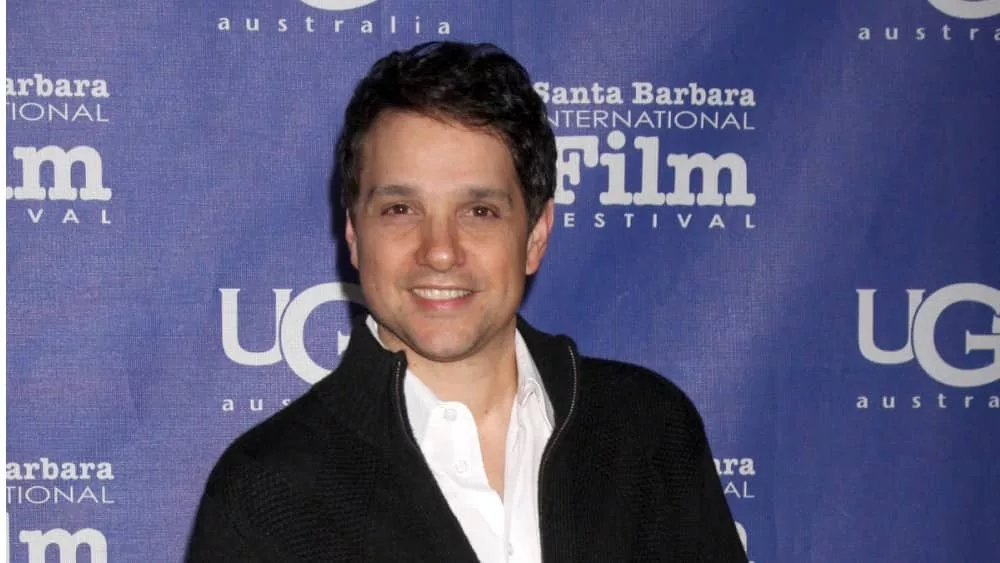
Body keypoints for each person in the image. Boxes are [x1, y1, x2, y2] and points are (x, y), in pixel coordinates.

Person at [185, 41, 748, 563]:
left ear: (535, 236)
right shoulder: (266, 495)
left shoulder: (647, 432)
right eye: (400, 209)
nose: (440, 252)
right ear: (354, 234)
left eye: (479, 212)